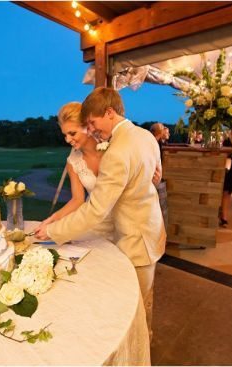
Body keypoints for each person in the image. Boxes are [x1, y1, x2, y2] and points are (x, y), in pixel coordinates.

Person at [35, 87, 166, 337]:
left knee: (134, 307)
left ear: (107, 113)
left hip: (134, 237)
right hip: (142, 230)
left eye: (92, 123)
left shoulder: (115, 150)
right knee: (129, 299)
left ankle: (138, 351)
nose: (93, 129)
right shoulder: (145, 135)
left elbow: (95, 209)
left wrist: (53, 231)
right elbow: (151, 177)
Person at [42, 102, 161, 238]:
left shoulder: (115, 147)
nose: (68, 139)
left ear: (88, 127)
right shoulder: (73, 162)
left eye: (72, 133)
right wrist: (53, 220)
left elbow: (135, 186)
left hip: (127, 226)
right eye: (65, 135)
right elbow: (77, 200)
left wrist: (151, 183)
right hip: (95, 224)